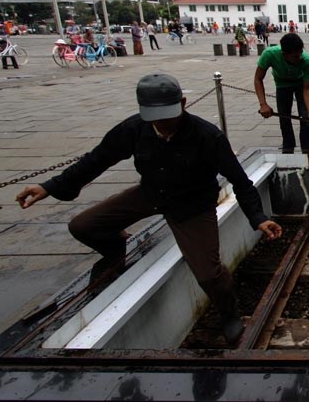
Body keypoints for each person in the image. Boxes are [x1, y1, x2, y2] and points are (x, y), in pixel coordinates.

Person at [15, 73, 283, 345]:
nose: (164, 124)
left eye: (169, 115)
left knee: (208, 272)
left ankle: (228, 314)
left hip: (191, 205)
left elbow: (240, 181)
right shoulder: (133, 129)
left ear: (183, 103)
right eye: (156, 117)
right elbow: (95, 161)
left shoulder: (207, 136)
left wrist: (258, 218)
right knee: (82, 226)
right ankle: (118, 249)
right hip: (151, 192)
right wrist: (49, 187)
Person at [254, 33, 309, 154]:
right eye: (295, 57)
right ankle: (288, 147)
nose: (299, 58)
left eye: (300, 54)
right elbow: (258, 79)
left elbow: (307, 88)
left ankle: (307, 148)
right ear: (284, 54)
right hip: (282, 84)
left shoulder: (307, 60)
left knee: (305, 118)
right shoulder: (269, 54)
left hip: (300, 83)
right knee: (284, 117)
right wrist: (263, 104)